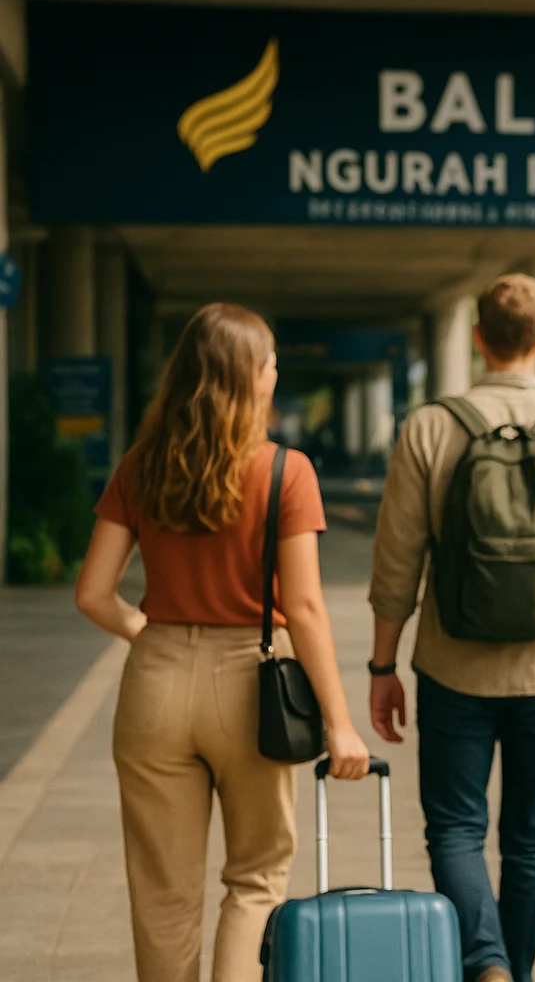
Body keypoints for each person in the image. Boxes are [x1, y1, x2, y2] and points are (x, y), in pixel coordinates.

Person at [75, 302, 371, 982]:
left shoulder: (140, 467)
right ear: (255, 379)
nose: (275, 373)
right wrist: (340, 722)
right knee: (256, 877)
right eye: (271, 364)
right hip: (252, 684)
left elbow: (92, 594)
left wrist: (149, 633)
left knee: (163, 894)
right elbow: (302, 607)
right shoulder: (284, 472)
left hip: (154, 683)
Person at [367, 273, 535, 982]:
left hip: (451, 665)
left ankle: (482, 963)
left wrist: (380, 668)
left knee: (455, 830)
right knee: (529, 840)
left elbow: (395, 565)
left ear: (480, 338)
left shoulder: (431, 427)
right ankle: (513, 974)